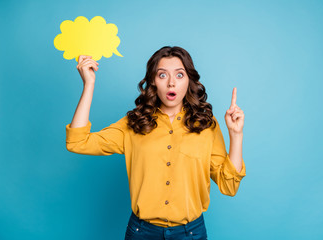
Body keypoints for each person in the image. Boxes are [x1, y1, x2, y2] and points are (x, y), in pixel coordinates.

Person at [65, 46, 246, 240]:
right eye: (162, 75)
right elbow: (78, 142)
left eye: (179, 75)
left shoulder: (206, 125)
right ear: (153, 81)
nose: (171, 83)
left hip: (191, 233)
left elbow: (229, 186)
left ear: (189, 80)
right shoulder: (134, 123)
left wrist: (236, 135)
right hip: (141, 233)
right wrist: (89, 85)